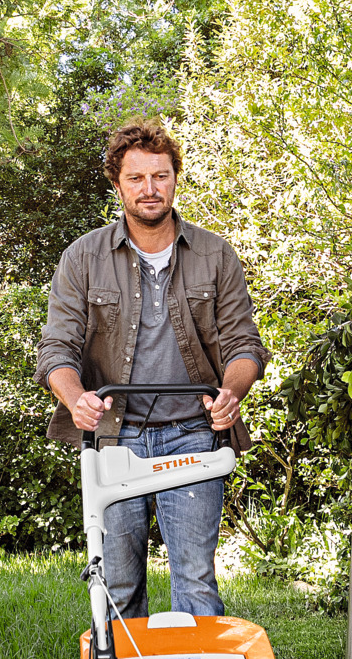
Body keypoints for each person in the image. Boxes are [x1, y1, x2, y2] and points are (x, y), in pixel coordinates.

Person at [36, 119, 268, 618]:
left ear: (175, 178)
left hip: (194, 436)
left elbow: (245, 344)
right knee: (117, 585)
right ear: (116, 183)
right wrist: (76, 398)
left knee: (196, 581)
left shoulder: (214, 255)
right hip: (116, 438)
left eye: (160, 176)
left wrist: (231, 393)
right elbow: (57, 349)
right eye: (136, 178)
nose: (149, 188)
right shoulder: (84, 257)